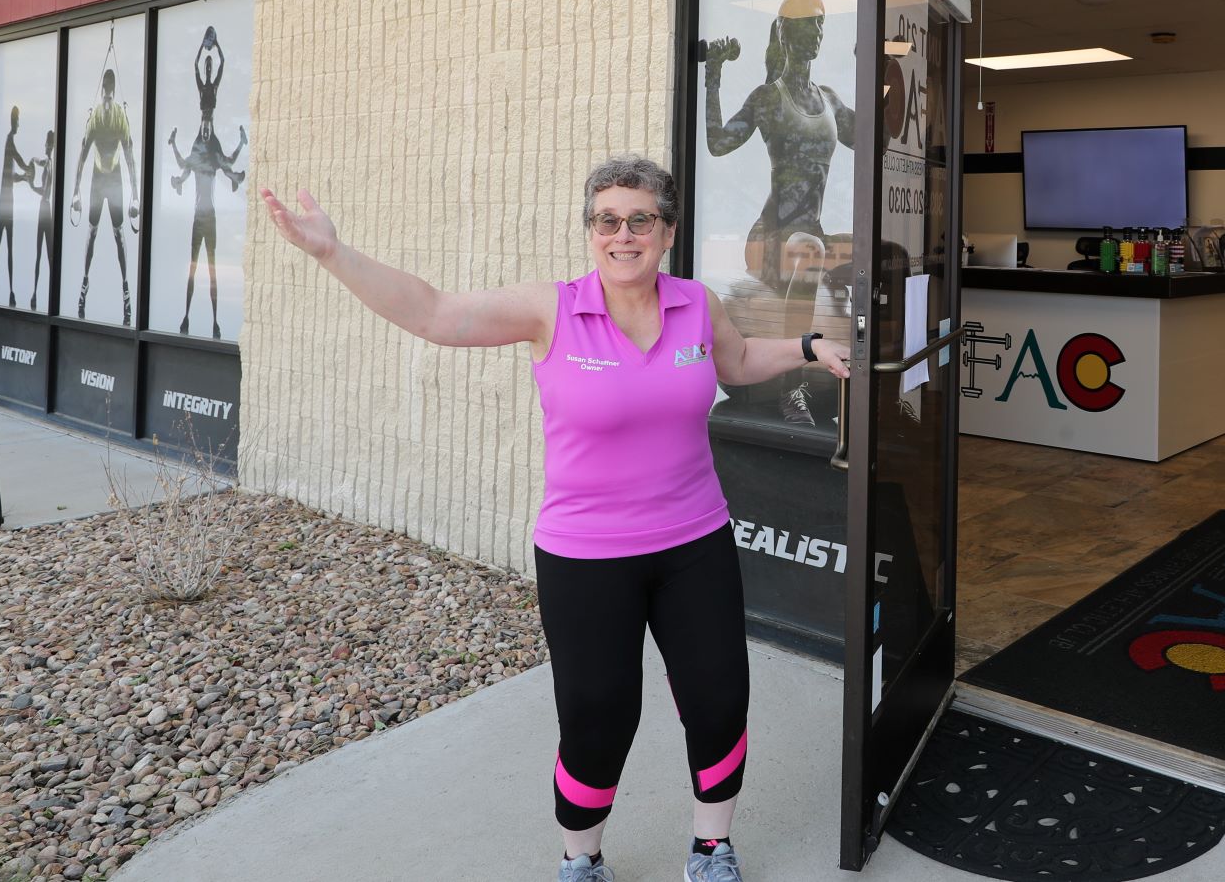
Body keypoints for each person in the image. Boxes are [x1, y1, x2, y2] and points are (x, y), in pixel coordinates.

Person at [261, 154, 850, 882]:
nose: (622, 234)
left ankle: (710, 847)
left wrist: (807, 347)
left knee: (720, 697)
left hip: (695, 541)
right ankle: (582, 856)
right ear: (589, 230)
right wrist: (332, 250)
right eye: (607, 219)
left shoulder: (698, 304)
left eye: (640, 219)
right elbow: (436, 312)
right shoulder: (554, 308)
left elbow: (736, 359)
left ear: (667, 230)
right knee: (599, 716)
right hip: (585, 555)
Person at [702, 0, 855, 426]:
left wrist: (880, 66)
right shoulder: (769, 97)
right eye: (808, 24)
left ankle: (858, 375)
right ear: (786, 33)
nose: (817, 32)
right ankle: (794, 390)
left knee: (878, 251)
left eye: (822, 23)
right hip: (772, 237)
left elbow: (870, 138)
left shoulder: (828, 99)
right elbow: (718, 143)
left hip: (813, 233)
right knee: (809, 248)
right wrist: (713, 75)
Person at [167, 27, 248, 336]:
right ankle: (187, 318)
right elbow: (183, 166)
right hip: (201, 217)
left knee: (210, 269)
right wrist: (174, 145)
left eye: (206, 127)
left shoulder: (210, 150)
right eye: (202, 127)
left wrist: (240, 144)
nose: (203, 129)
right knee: (193, 266)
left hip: (208, 217)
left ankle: (214, 322)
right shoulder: (201, 150)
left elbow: (227, 162)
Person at [70, 67, 140, 325]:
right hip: (98, 178)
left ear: (113, 93)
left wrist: (135, 195)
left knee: (119, 234)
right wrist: (76, 192)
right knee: (92, 231)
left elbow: (130, 155)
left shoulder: (121, 116)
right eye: (106, 98)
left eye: (111, 97)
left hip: (116, 177)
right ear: (102, 94)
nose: (108, 102)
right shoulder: (96, 118)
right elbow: (82, 155)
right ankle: (84, 283)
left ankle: (125, 290)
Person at [0, 105, 28, 308]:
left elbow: (19, 164)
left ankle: (8, 291)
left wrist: (25, 172)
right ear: (13, 121)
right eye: (17, 120)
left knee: (5, 247)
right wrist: (25, 174)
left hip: (7, 201)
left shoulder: (9, 141)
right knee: (0, 246)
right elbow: (14, 170)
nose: (19, 124)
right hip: (5, 201)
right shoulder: (9, 141)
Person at [28, 129, 55, 311]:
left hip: (44, 208)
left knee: (43, 253)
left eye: (47, 144)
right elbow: (37, 161)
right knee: (45, 254)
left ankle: (37, 294)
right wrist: (31, 161)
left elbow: (44, 191)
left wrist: (30, 185)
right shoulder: (49, 163)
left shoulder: (49, 163)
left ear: (51, 146)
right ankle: (38, 293)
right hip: (46, 209)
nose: (45, 146)